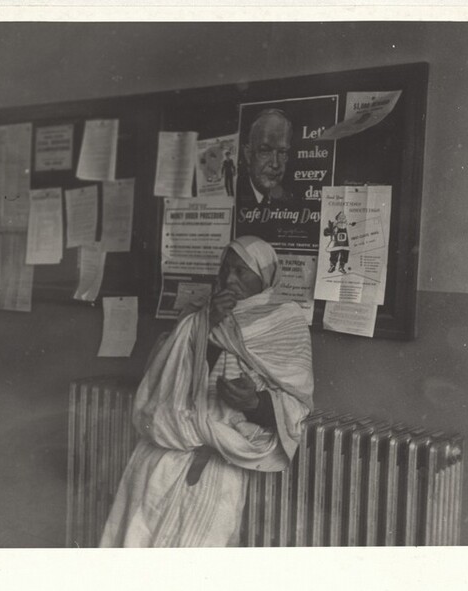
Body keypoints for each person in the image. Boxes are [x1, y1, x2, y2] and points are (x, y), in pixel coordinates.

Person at [100, 236, 314, 547]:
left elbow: (297, 402)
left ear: (264, 278)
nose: (229, 279)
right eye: (225, 270)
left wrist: (255, 403)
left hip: (221, 459)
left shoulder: (286, 322)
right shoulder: (197, 314)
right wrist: (206, 323)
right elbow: (165, 379)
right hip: (166, 450)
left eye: (241, 272)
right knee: (138, 546)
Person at [237, 109, 293, 205]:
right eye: (265, 151)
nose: (275, 164)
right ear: (248, 154)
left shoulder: (291, 201)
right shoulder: (236, 196)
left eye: (282, 152)